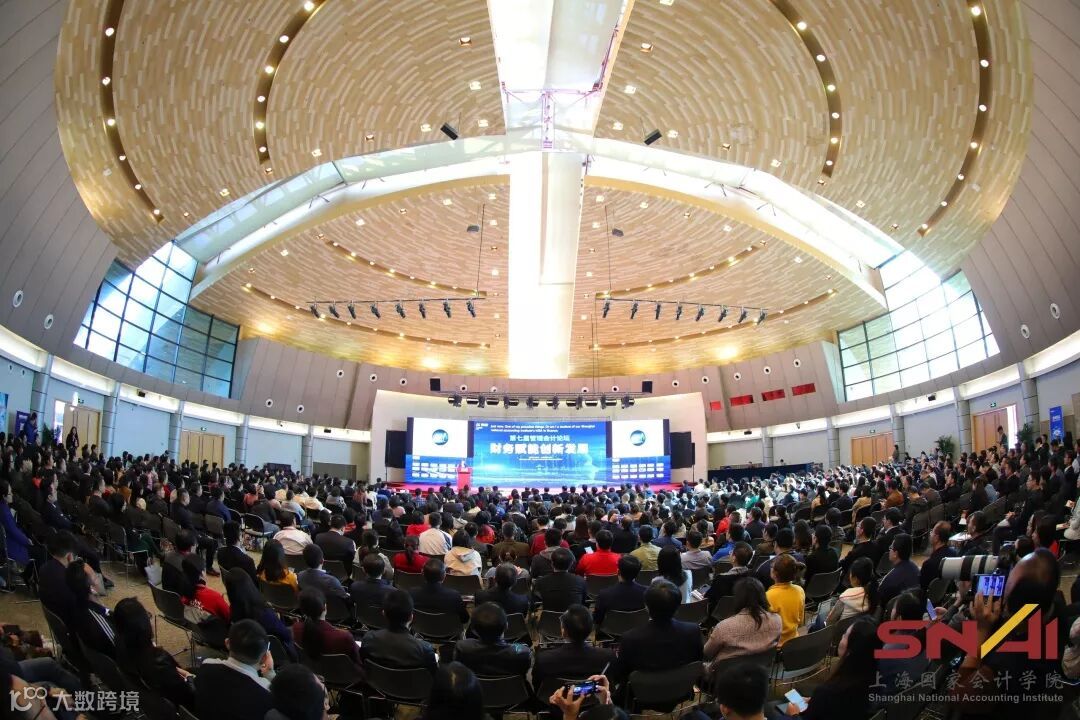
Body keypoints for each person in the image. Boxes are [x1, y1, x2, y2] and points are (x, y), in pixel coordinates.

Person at [785, 618, 881, 720]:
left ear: (851, 651)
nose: (842, 636)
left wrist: (793, 714)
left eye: (845, 635)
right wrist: (815, 702)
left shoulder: (829, 693)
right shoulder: (878, 684)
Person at [612, 579, 703, 684]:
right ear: (678, 607)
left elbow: (621, 675)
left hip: (642, 691)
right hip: (681, 687)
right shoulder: (693, 631)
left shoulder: (630, 639)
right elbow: (697, 662)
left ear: (646, 607)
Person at [111, 597, 195, 709]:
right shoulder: (158, 661)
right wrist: (189, 677)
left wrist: (175, 669)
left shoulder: (119, 642)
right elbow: (188, 696)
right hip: (183, 706)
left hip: (154, 699)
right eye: (147, 616)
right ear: (143, 626)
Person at [195, 620, 276, 720]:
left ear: (227, 643)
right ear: (264, 657)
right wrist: (270, 675)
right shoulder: (266, 692)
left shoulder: (207, 666)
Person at [533, 604, 616, 693]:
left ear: (563, 632)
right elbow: (611, 683)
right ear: (591, 630)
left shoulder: (544, 658)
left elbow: (538, 687)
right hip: (594, 699)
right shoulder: (608, 656)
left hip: (555, 699)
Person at [704, 577, 781, 669]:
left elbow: (707, 654)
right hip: (760, 672)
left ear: (738, 598)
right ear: (762, 595)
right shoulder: (777, 620)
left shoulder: (724, 627)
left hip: (726, 675)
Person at [225, 568, 296, 659]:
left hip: (253, 655)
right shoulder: (264, 614)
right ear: (249, 583)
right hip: (276, 652)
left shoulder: (234, 611)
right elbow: (286, 635)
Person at [359, 589, 437, 672]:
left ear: (383, 614)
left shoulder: (368, 639)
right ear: (411, 617)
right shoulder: (425, 650)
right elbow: (432, 676)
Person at [292, 588, 363, 671]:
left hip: (312, 669)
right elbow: (358, 660)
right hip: (342, 673)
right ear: (325, 608)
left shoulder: (296, 629)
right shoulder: (344, 637)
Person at [455, 601, 532, 676]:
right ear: (506, 626)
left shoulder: (461, 648)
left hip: (475, 684)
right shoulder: (522, 653)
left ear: (473, 630)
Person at [877, 591, 930, 693]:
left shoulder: (889, 650)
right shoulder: (925, 637)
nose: (892, 610)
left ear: (899, 618)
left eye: (894, 608)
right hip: (912, 692)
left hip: (888, 696)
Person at [64, 558, 116, 656]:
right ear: (92, 587)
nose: (99, 578)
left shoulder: (73, 604)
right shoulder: (96, 618)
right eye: (95, 576)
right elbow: (116, 646)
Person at [410, 557, 470, 623]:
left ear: (422, 573)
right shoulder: (454, 596)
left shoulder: (412, 593)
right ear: (444, 576)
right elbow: (465, 619)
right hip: (448, 629)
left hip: (420, 628)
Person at [823, 556, 877, 626]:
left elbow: (830, 621)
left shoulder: (847, 596)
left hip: (841, 629)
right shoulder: (874, 591)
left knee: (821, 616)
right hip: (858, 627)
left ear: (855, 579)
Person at [532, 547, 587, 613]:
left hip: (549, 618)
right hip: (572, 618)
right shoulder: (581, 581)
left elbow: (534, 603)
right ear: (571, 564)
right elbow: (583, 603)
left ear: (552, 564)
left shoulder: (540, 581)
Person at [765, 554, 804, 646]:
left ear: (775, 573)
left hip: (776, 645)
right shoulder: (800, 590)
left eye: (771, 567)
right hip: (793, 640)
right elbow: (801, 622)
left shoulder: (769, 595)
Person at [180, 554, 231, 624]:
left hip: (196, 628)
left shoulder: (182, 595)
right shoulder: (215, 597)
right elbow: (229, 618)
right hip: (216, 629)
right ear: (201, 574)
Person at [878, 533, 919, 610]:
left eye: (891, 547)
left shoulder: (890, 579)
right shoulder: (915, 568)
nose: (889, 550)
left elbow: (880, 601)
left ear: (895, 554)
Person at [920, 521, 957, 592]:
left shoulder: (928, 564)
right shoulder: (953, 553)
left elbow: (922, 588)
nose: (930, 534)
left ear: (937, 537)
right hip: (948, 593)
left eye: (932, 532)